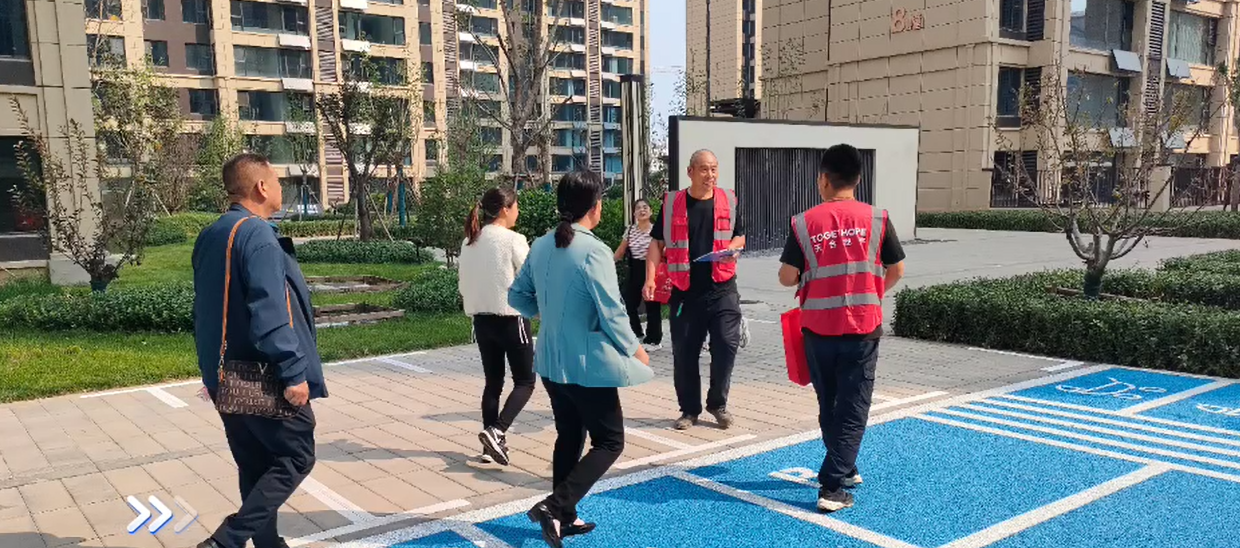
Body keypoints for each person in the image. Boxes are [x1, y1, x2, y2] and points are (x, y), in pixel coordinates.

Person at [509, 170, 653, 548]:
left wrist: (549, 313)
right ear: (596, 206)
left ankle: (564, 516)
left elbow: (517, 297)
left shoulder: (541, 245)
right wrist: (636, 350)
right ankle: (555, 507)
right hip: (586, 364)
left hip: (550, 360)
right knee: (610, 441)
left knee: (570, 435)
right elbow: (612, 312)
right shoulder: (594, 250)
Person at [192, 153, 327, 548]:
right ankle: (226, 540)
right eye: (278, 180)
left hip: (225, 375)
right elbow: (271, 312)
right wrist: (293, 372)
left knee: (254, 464)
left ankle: (267, 543)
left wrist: (211, 375)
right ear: (261, 187)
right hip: (264, 375)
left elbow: (205, 309)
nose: (282, 188)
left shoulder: (212, 233)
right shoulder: (258, 235)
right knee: (297, 456)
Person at [777, 144, 905, 513]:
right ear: (858, 179)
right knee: (854, 407)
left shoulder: (804, 223)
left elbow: (787, 277)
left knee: (830, 403)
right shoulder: (878, 218)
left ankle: (844, 467)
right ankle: (832, 486)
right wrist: (872, 293)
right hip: (862, 328)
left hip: (818, 330)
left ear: (823, 179)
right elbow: (896, 269)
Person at [643, 149, 745, 431]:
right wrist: (650, 279)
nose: (710, 175)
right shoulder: (672, 203)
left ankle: (717, 404)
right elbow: (657, 244)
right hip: (685, 293)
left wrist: (733, 249)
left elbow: (740, 235)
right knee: (685, 352)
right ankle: (689, 410)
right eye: (703, 169)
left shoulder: (729, 200)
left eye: (714, 168)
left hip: (723, 288)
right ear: (690, 172)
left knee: (726, 345)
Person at [458, 187, 535, 467]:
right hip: (511, 318)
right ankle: (497, 431)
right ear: (505, 209)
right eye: (516, 207)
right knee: (525, 382)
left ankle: (488, 447)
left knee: (493, 383)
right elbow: (531, 277)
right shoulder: (513, 240)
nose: (518, 212)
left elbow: (463, 282)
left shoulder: (470, 241)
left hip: (481, 320)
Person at [613, 198, 662, 350]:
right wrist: (609, 262)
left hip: (652, 269)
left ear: (651, 211)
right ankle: (637, 334)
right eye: (638, 208)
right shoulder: (630, 230)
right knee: (628, 302)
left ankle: (654, 340)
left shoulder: (656, 231)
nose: (642, 210)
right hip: (635, 269)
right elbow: (621, 251)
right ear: (634, 213)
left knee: (652, 305)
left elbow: (662, 251)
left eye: (645, 207)